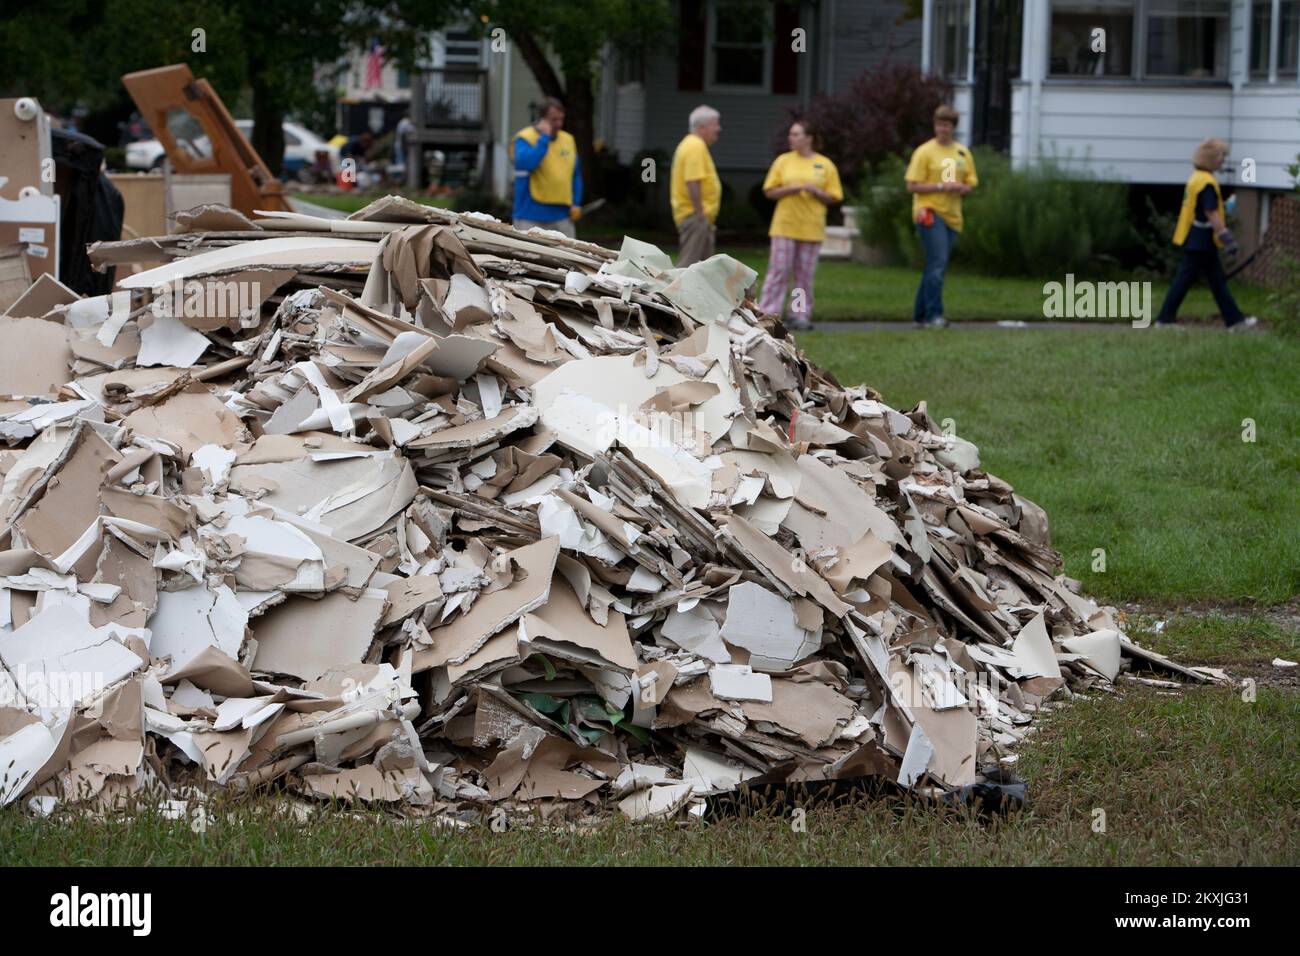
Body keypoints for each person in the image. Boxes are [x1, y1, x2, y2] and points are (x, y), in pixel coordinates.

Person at [1154, 138, 1257, 330]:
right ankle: (1165, 319)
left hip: (1195, 238)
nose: (1223, 161)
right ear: (1211, 158)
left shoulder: (1196, 178)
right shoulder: (1207, 183)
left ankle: (1235, 321)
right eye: (1221, 157)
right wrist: (1225, 235)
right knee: (1190, 281)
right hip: (1202, 240)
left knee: (1214, 282)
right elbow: (1210, 212)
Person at [757, 119, 843, 331]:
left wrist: (817, 192)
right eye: (791, 134)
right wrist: (790, 189)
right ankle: (768, 314)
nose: (791, 138)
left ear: (809, 138)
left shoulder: (825, 165)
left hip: (811, 228)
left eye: (796, 134)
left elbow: (834, 196)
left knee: (804, 275)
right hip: (785, 226)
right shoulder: (783, 161)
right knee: (779, 270)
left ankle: (799, 314)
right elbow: (769, 191)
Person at [905, 105, 978, 328]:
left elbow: (971, 181)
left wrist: (963, 188)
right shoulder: (925, 152)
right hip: (929, 211)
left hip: (952, 215)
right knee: (938, 262)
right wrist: (940, 186)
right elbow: (912, 185)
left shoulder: (962, 153)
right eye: (938, 124)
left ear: (953, 128)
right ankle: (935, 314)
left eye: (946, 125)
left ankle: (921, 314)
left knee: (936, 265)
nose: (942, 129)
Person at [512, 97, 582, 238]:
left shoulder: (568, 140)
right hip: (530, 216)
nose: (558, 124)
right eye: (553, 120)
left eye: (561, 119)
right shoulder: (525, 138)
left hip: (563, 216)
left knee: (568, 258)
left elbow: (575, 174)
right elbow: (526, 164)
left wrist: (576, 202)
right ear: (542, 119)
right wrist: (544, 138)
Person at [670, 106, 722, 266]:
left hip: (697, 217)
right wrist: (700, 214)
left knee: (702, 270)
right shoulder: (695, 146)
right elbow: (692, 181)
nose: (719, 128)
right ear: (701, 127)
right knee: (688, 268)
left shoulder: (692, 145)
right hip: (695, 217)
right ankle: (670, 292)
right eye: (715, 124)